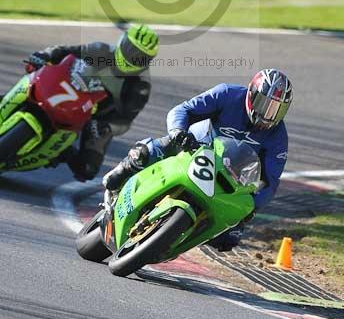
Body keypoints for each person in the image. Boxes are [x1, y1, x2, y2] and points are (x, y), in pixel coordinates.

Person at [103, 69, 292, 251]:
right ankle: (123, 170)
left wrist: (248, 212)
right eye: (264, 104)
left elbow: (269, 182)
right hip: (194, 147)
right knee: (147, 152)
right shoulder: (227, 94)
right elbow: (183, 110)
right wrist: (178, 131)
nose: (268, 114)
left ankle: (182, 238)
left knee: (228, 237)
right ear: (251, 93)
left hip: (229, 179)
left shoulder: (278, 138)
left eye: (276, 109)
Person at [17, 24, 159, 181]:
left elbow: (125, 120)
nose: (133, 57)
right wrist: (43, 55)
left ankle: (62, 152)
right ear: (122, 42)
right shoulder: (100, 50)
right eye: (130, 49)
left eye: (140, 56)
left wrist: (104, 125)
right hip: (69, 90)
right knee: (34, 70)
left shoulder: (140, 86)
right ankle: (9, 100)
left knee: (87, 169)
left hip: (96, 115)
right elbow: (64, 51)